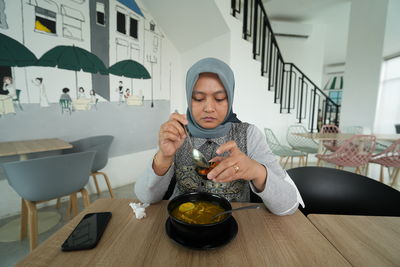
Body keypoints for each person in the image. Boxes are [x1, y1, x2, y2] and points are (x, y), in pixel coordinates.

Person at [134, 58, 303, 215]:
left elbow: (289, 205)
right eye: (198, 98)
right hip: (182, 221)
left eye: (220, 98)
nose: (209, 108)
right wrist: (164, 157)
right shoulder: (178, 133)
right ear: (188, 99)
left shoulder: (248, 135)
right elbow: (145, 198)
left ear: (230, 99)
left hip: (233, 223)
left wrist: (257, 171)